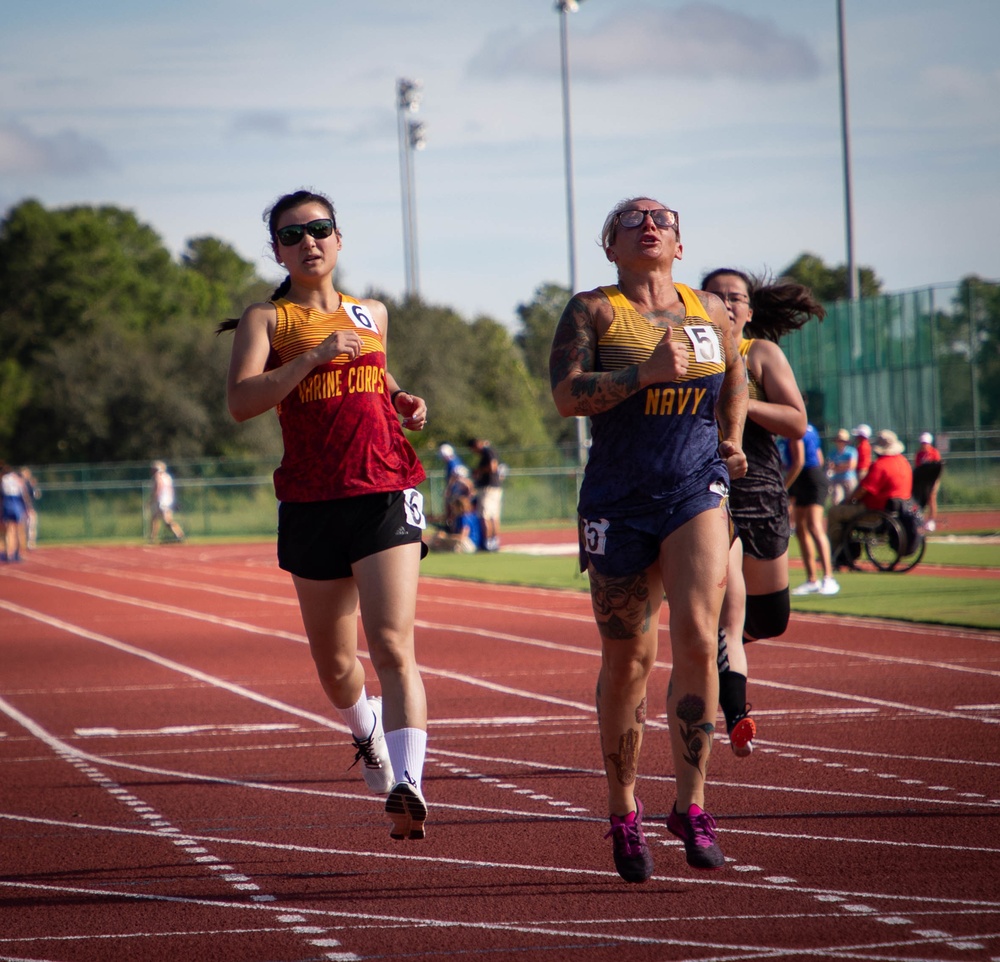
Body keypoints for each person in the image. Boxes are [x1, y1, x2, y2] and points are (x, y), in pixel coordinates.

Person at [549, 197, 748, 883]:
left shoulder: (711, 311)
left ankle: (691, 806)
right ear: (612, 247)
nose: (650, 224)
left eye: (662, 217)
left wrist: (731, 439)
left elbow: (737, 374)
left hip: (694, 489)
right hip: (617, 498)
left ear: (680, 245)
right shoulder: (593, 309)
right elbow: (567, 395)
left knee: (698, 633)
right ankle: (623, 809)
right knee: (629, 657)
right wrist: (642, 374)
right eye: (632, 220)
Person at [222, 189, 431, 841]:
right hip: (312, 500)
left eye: (320, 229)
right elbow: (239, 402)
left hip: (385, 487)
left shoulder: (372, 313)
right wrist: (313, 357)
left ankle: (409, 784)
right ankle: (365, 729)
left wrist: (401, 398)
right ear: (278, 250)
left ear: (339, 240)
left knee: (394, 644)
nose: (309, 241)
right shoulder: (268, 321)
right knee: (337, 664)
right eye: (293, 234)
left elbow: (377, 370)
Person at [701, 269, 817, 758]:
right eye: (719, 297)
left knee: (769, 619)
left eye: (738, 298)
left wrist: (744, 404)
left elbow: (797, 422)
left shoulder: (761, 354)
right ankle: (735, 713)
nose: (729, 305)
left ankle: (709, 656)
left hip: (762, 492)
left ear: (750, 310)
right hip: (708, 493)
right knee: (728, 616)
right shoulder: (690, 356)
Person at [828, 429, 913, 553]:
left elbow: (863, 490)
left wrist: (848, 501)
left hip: (874, 512)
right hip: (898, 510)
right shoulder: (905, 463)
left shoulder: (880, 465)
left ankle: (836, 552)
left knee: (834, 512)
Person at [789, 424, 839, 595]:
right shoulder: (811, 429)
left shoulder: (796, 428)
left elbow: (799, 461)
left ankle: (829, 578)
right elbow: (819, 456)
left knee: (815, 527)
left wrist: (784, 486)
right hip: (804, 479)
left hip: (811, 478)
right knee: (801, 530)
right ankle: (812, 580)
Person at [468, 437, 503, 551]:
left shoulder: (487, 452)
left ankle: (487, 543)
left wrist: (478, 471)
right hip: (495, 487)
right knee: (493, 516)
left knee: (485, 516)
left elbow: (492, 467)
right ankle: (494, 541)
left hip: (488, 488)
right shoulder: (489, 451)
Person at [149, 461, 186, 544]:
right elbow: (171, 490)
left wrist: (152, 499)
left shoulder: (158, 476)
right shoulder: (167, 477)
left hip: (161, 500)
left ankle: (179, 534)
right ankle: (153, 538)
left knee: (164, 520)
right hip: (167, 500)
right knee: (157, 519)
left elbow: (158, 487)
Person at [914, 431, 942, 531]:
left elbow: (938, 469)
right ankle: (919, 520)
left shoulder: (934, 453)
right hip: (922, 481)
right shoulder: (919, 454)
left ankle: (931, 521)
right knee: (919, 500)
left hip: (932, 480)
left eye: (925, 443)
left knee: (931, 499)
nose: (923, 445)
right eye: (922, 443)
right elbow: (917, 468)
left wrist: (936, 483)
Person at [1, 462, 28, 562]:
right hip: (16, 502)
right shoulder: (17, 479)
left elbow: (2, 494)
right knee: (18, 529)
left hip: (7, 503)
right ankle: (16, 553)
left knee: (9, 530)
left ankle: (8, 553)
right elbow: (23, 494)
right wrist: (26, 507)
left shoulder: (3, 479)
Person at [826, 429, 858, 506]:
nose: (840, 442)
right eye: (838, 440)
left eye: (842, 441)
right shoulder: (832, 452)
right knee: (836, 500)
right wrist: (844, 465)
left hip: (849, 479)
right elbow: (830, 466)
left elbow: (851, 466)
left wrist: (837, 466)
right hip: (836, 480)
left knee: (852, 500)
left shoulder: (851, 451)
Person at [19, 468, 40, 549]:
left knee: (31, 525)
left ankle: (30, 542)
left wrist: (34, 487)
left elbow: (36, 495)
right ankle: (23, 542)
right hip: (22, 508)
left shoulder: (29, 484)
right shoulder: (20, 484)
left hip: (28, 507)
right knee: (22, 526)